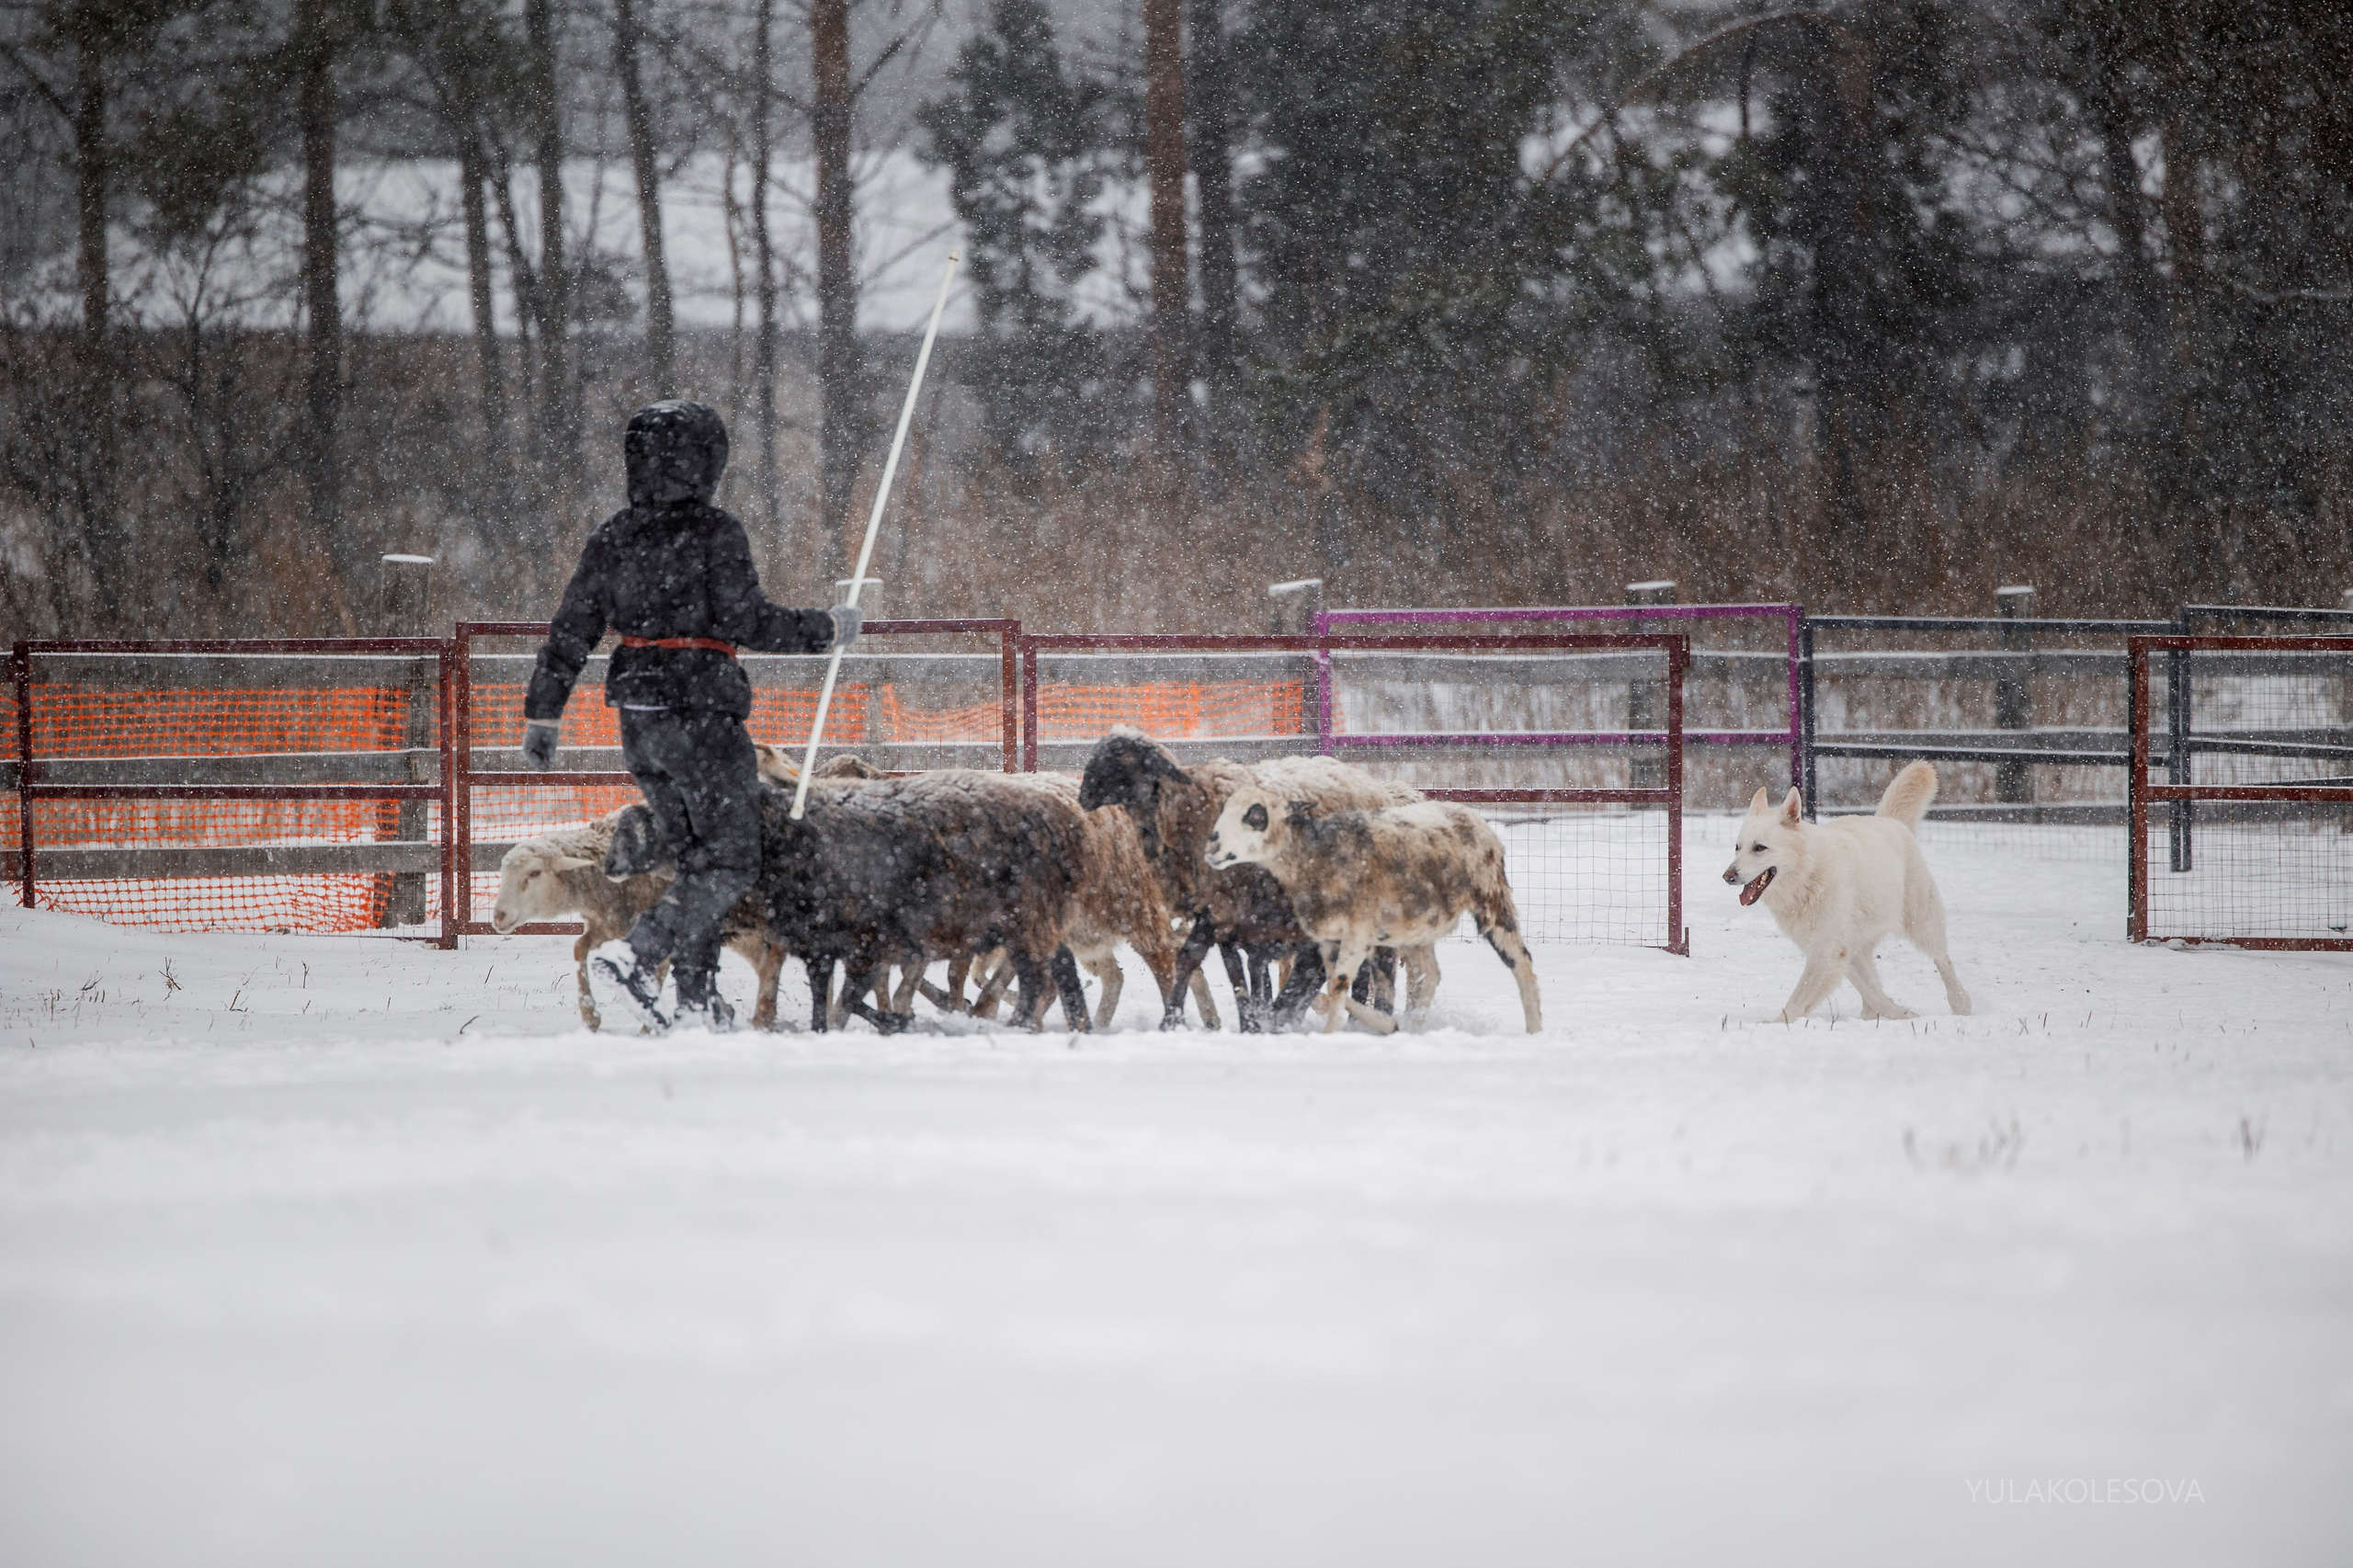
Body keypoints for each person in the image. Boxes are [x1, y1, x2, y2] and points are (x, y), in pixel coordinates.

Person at [518, 400, 859, 1030]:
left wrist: (545, 713)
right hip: (701, 716)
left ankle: (696, 1001)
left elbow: (573, 626)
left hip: (639, 722)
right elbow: (746, 620)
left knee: (693, 860)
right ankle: (639, 954)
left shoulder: (613, 536)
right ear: (708, 462)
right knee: (730, 859)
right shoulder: (715, 533)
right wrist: (826, 628)